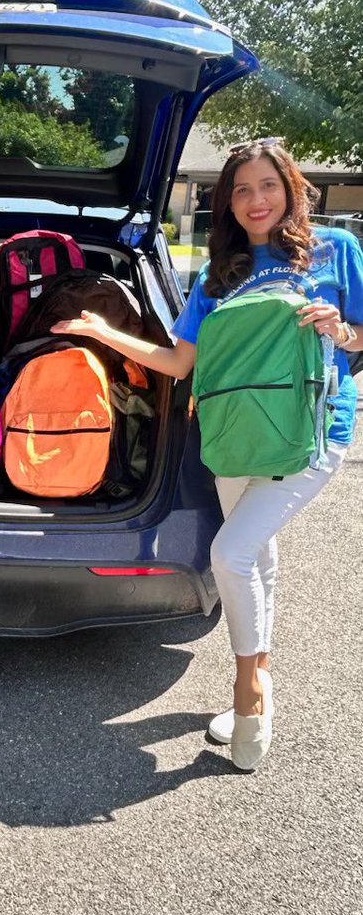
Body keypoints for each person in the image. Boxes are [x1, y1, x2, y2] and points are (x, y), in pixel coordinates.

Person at [52, 138, 363, 772]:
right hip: (230, 437)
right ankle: (264, 683)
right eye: (241, 190)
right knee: (259, 559)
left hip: (311, 433)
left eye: (267, 186)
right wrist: (100, 332)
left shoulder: (336, 250)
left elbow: (361, 336)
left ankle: (249, 690)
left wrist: (343, 330)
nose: (256, 200)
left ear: (291, 188)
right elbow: (177, 361)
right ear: (226, 202)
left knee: (231, 553)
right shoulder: (219, 274)